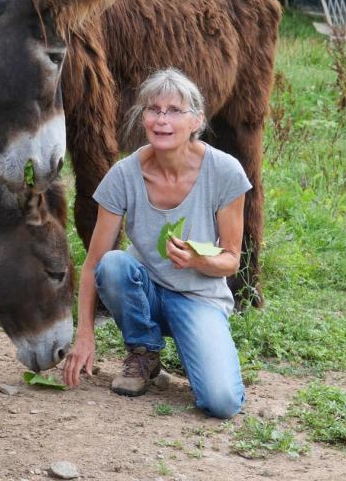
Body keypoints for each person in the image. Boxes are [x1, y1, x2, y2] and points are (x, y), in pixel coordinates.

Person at [62, 68, 250, 419]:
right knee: (114, 264)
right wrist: (84, 334)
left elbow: (232, 260)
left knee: (222, 402)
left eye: (175, 111)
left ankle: (194, 342)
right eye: (153, 109)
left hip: (198, 297)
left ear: (197, 120)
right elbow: (93, 264)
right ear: (142, 117)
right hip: (143, 293)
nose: (162, 119)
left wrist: (198, 261)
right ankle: (144, 351)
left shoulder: (224, 172)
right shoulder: (123, 174)